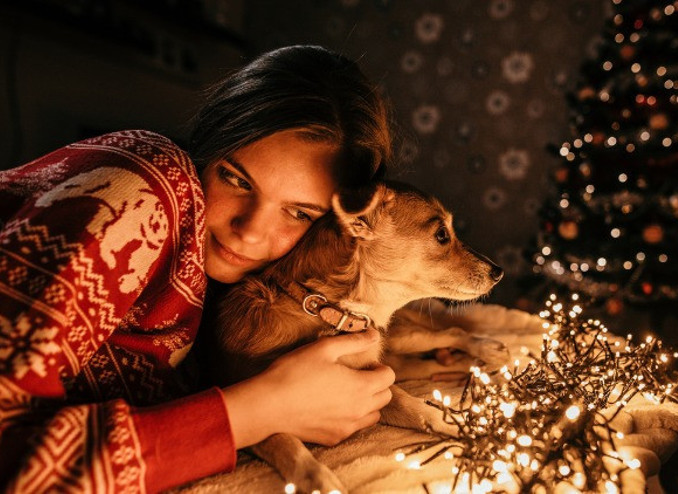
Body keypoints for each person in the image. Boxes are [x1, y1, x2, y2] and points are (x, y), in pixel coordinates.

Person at [0, 45, 397, 492]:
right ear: (208, 149)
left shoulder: (233, 298)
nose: (250, 231)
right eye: (236, 179)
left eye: (300, 213)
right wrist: (258, 411)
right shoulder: (144, 188)